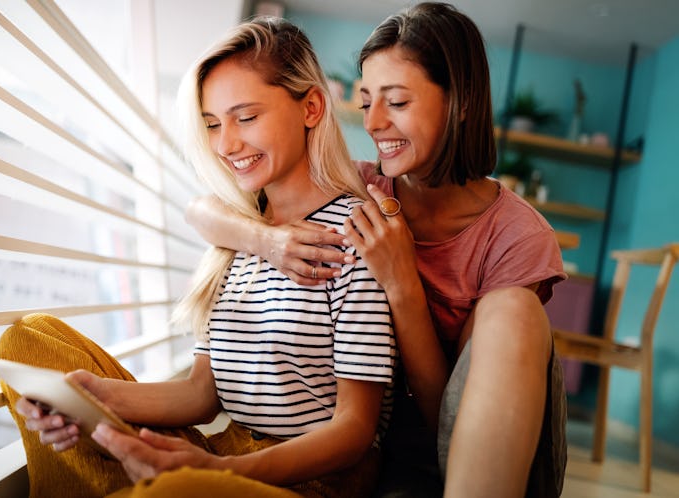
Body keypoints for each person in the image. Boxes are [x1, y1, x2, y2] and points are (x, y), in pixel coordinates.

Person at [0, 16, 396, 498]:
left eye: (246, 117)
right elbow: (201, 394)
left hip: (313, 478)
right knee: (26, 341)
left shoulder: (355, 232)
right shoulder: (243, 234)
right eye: (212, 124)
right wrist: (94, 400)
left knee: (167, 490)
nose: (226, 144)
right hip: (225, 451)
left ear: (310, 107)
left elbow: (355, 431)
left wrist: (221, 474)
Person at [185, 3, 568, 498]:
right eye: (367, 103)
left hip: (466, 432)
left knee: (515, 308)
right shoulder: (361, 188)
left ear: (462, 100)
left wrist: (401, 281)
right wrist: (271, 242)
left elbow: (443, 418)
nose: (374, 123)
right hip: (367, 424)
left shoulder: (516, 236)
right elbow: (203, 210)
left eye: (398, 102)